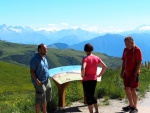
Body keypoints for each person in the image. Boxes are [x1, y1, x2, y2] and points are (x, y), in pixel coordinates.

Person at [81, 43, 107, 113]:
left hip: (86, 80)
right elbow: (104, 67)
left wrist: (83, 75)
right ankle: (97, 111)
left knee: (88, 97)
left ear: (85, 50)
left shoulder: (85, 59)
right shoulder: (96, 58)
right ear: (92, 50)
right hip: (94, 79)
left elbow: (83, 67)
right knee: (92, 95)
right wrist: (99, 75)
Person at [120, 36, 142, 113]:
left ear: (132, 41)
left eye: (129, 42)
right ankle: (131, 105)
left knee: (133, 90)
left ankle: (135, 107)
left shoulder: (137, 50)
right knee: (126, 88)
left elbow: (139, 62)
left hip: (134, 74)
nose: (127, 44)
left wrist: (135, 73)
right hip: (126, 73)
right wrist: (122, 71)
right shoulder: (125, 50)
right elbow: (124, 61)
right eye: (125, 43)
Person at [30, 43, 52, 113]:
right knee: (39, 98)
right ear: (39, 50)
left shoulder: (44, 58)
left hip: (46, 80)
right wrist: (36, 80)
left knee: (46, 97)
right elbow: (32, 71)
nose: (46, 50)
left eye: (46, 49)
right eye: (44, 49)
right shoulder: (35, 59)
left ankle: (44, 111)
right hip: (39, 82)